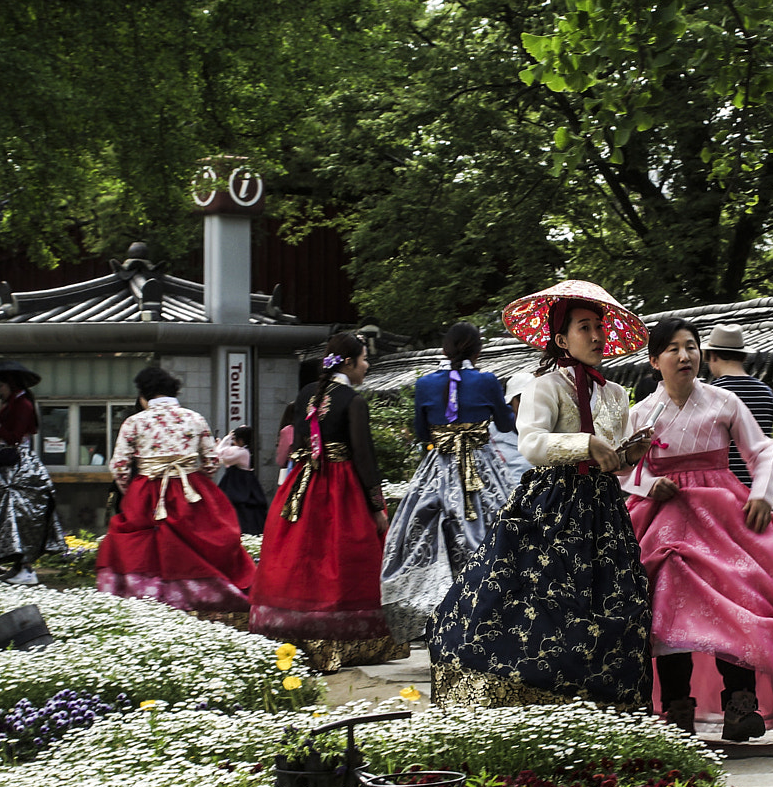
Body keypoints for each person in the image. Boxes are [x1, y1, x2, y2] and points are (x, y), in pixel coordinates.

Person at [428, 281, 653, 707]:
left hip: (605, 512)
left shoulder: (616, 394)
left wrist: (628, 454)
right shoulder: (544, 385)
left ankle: (601, 704)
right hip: (553, 504)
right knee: (541, 599)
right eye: (584, 327)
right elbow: (531, 444)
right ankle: (531, 698)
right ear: (561, 338)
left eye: (599, 327)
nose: (597, 336)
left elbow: (614, 460)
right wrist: (584, 444)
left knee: (613, 602)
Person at [621, 318, 773, 741]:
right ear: (655, 361)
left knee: (738, 597)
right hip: (664, 518)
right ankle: (677, 708)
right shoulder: (639, 414)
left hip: (722, 514)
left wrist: (762, 494)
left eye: (691, 347)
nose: (685, 355)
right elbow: (621, 471)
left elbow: (761, 451)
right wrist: (649, 484)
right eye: (672, 349)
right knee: (666, 605)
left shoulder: (724, 402)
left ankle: (740, 705)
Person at [251, 334, 404, 670]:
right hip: (339, 488)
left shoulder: (306, 394)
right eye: (364, 359)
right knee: (340, 558)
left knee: (302, 558)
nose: (367, 365)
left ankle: (299, 635)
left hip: (301, 486)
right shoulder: (353, 401)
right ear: (348, 363)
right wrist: (376, 506)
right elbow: (364, 458)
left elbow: (296, 443)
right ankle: (344, 640)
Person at [380, 323, 517, 643]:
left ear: (445, 348)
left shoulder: (425, 383)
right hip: (481, 466)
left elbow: (421, 433)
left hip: (437, 468)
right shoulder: (486, 380)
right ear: (476, 349)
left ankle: (432, 612)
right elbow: (504, 424)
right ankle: (488, 613)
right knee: (497, 526)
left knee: (419, 531)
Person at [96, 367, 255, 610]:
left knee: (145, 541)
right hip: (189, 487)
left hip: (147, 488)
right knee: (200, 539)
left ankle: (149, 598)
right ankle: (202, 595)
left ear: (143, 395)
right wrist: (198, 483)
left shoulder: (135, 422)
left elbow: (119, 465)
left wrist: (132, 491)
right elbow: (211, 461)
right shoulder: (194, 418)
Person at [0, 360, 64, 585]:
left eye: (1, 386)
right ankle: (5, 559)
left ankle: (24, 564)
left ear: (10, 385)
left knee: (18, 514)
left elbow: (13, 437)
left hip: (17, 465)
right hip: (1, 464)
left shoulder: (23, 406)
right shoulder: (8, 404)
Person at [703, 324, 773, 490]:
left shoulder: (710, 393)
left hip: (723, 490)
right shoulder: (766, 393)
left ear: (712, 355)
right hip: (757, 488)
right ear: (743, 357)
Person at [215, 425, 269, 535]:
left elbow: (219, 457)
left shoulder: (242, 452)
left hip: (239, 484)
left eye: (234, 439)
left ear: (240, 440)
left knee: (241, 508)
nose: (233, 442)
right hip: (240, 482)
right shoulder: (242, 451)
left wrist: (225, 440)